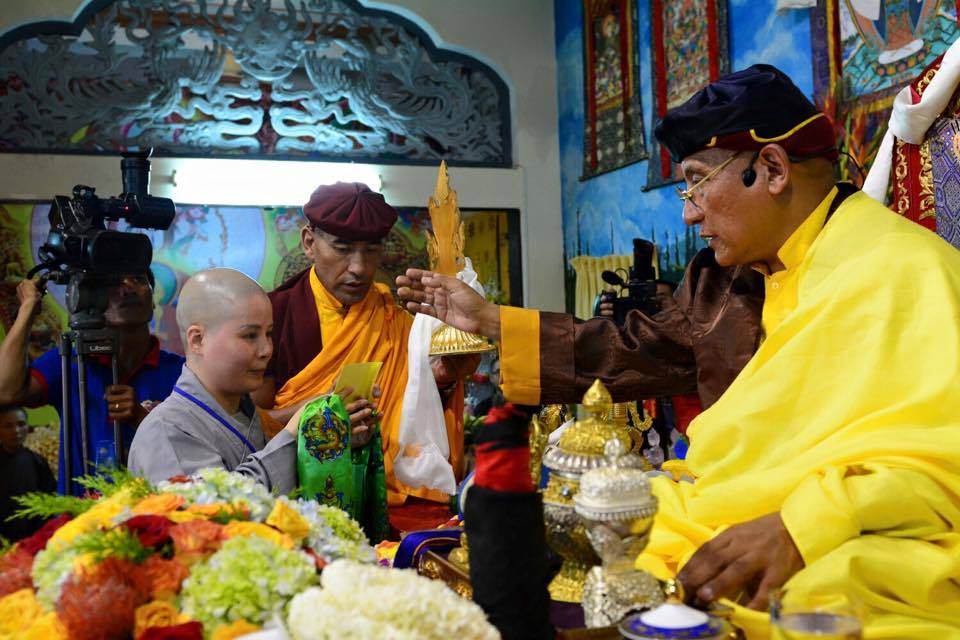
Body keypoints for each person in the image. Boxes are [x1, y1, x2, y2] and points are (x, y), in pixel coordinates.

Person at [399, 65, 960, 636]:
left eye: (695, 183)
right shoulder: (726, 278)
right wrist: (491, 321)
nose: (688, 213)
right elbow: (630, 348)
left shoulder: (907, 271)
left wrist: (802, 527)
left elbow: (942, 460)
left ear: (771, 169)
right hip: (713, 504)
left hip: (851, 526)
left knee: (829, 595)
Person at [253, 182, 479, 509]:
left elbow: (414, 430)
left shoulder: (396, 323)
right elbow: (249, 426)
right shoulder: (271, 317)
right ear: (309, 242)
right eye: (342, 249)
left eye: (371, 250)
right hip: (293, 498)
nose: (359, 267)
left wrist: (441, 380)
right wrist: (318, 410)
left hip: (381, 501)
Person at [0, 272, 183, 495]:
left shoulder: (181, 372)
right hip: (80, 513)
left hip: (162, 510)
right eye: (113, 281)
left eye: (138, 279)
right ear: (92, 302)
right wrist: (28, 308)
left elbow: (199, 450)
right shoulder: (69, 361)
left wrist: (143, 419)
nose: (128, 288)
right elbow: (5, 391)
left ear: (153, 300)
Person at [128, 269, 299, 493]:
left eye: (269, 334)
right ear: (198, 340)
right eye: (250, 335)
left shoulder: (246, 414)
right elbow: (213, 508)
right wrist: (290, 438)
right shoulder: (166, 430)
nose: (266, 350)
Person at [0, 405, 55, 542]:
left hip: (31, 539)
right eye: (8, 426)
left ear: (28, 427)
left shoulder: (37, 462)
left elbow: (49, 501)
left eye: (21, 424)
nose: (16, 431)